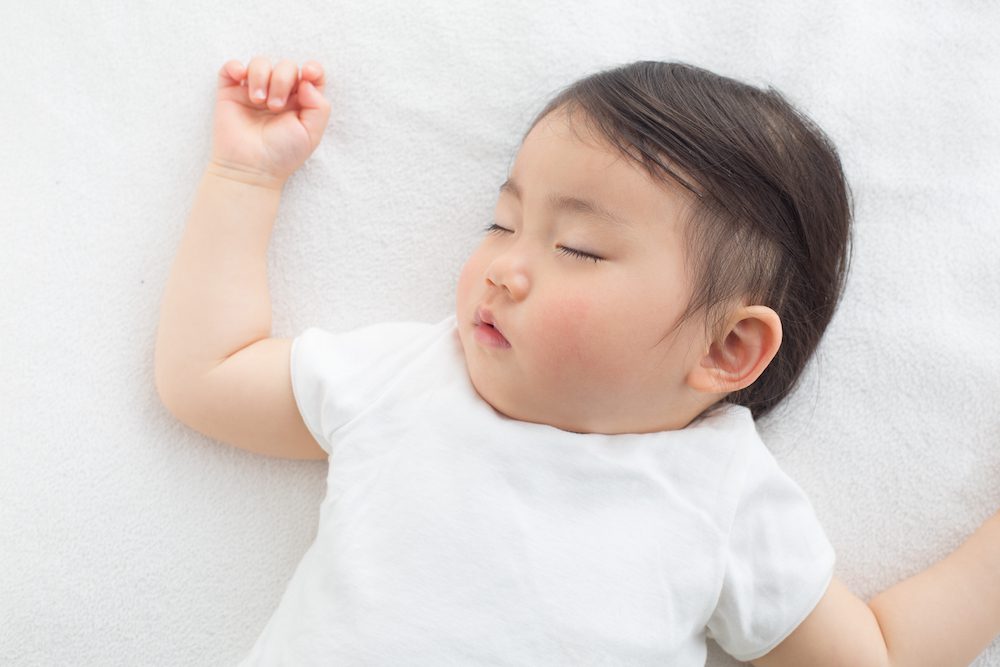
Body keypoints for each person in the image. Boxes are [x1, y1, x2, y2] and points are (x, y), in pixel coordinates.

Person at [154, 55, 1000, 666]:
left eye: (579, 247)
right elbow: (208, 374)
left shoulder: (720, 493)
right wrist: (243, 178)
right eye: (502, 220)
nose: (505, 265)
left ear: (727, 347)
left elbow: (875, 655)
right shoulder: (411, 378)